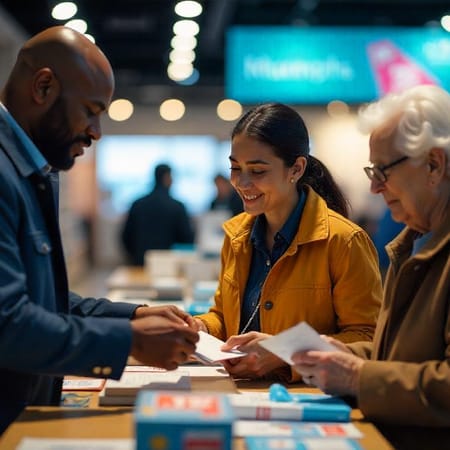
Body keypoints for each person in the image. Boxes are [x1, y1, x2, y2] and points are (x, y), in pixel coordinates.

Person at [0, 27, 198, 433]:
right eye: (90, 111)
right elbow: (8, 324)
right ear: (43, 86)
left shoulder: (28, 171)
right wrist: (131, 343)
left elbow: (47, 304)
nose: (96, 132)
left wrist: (134, 316)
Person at [292, 85, 450, 450]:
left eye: (384, 170)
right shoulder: (413, 244)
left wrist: (359, 378)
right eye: (371, 170)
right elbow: (402, 359)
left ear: (434, 165)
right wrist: (346, 356)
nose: (375, 187)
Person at [193, 103, 382, 381]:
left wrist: (283, 351)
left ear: (296, 169)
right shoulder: (237, 237)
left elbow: (368, 338)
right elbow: (225, 318)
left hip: (312, 399)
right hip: (243, 392)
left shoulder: (344, 241)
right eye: (235, 168)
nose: (242, 182)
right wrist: (198, 327)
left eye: (257, 171)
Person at [121, 163, 195, 265]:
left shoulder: (137, 204)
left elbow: (126, 237)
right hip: (169, 264)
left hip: (140, 262)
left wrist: (135, 256)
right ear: (166, 178)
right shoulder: (177, 207)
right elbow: (187, 239)